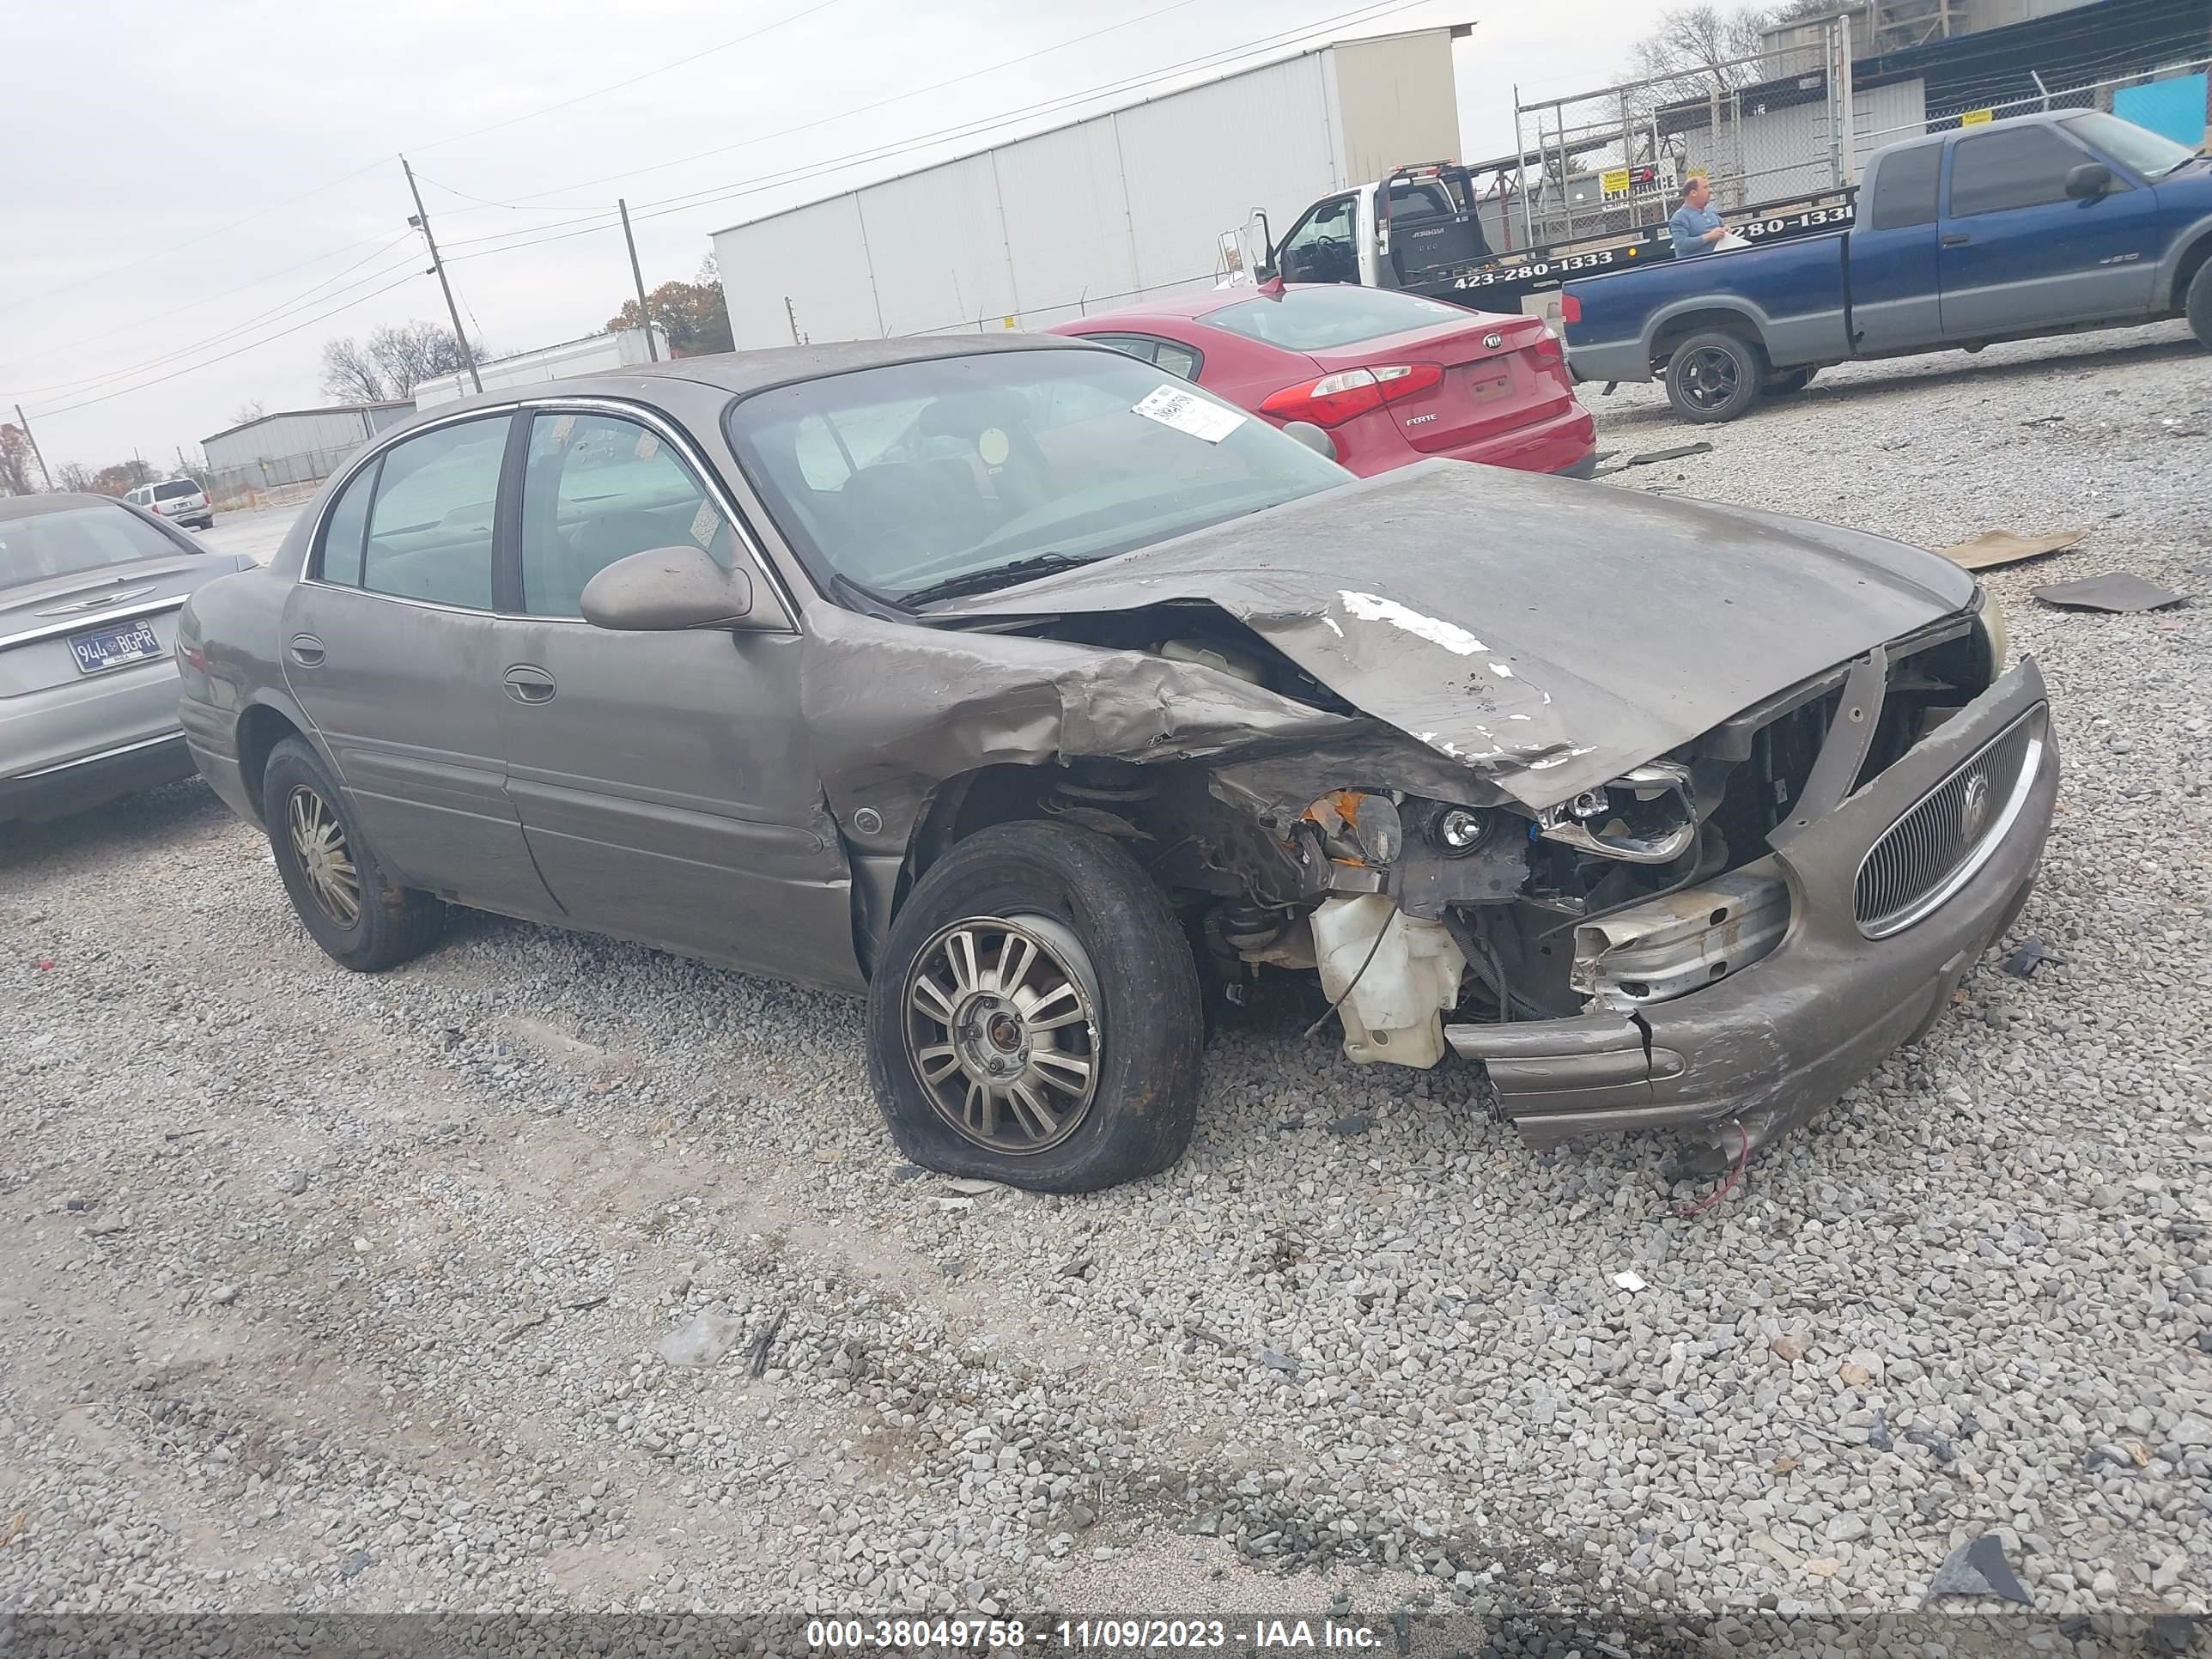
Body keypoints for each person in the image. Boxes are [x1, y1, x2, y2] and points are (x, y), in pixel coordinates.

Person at [1668, 177, 1729, 258]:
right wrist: (1710, 236)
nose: (1710, 190)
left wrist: (1726, 230)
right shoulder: (1680, 217)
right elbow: (1681, 244)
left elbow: (1722, 226)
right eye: (1705, 187)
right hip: (1695, 265)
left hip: (1719, 259)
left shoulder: (1711, 211)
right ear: (1693, 193)